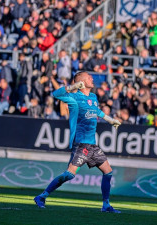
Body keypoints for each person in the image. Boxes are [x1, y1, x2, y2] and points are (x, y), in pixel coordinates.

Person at [34, 71, 121, 213]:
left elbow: (96, 110)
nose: (92, 78)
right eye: (89, 77)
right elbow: (56, 94)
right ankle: (42, 196)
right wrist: (72, 86)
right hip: (81, 144)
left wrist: (110, 120)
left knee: (108, 172)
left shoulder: (93, 97)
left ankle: (106, 205)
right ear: (81, 82)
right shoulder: (74, 98)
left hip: (92, 145)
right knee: (70, 174)